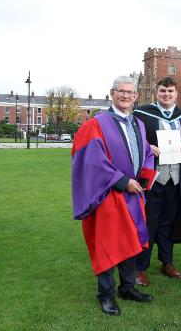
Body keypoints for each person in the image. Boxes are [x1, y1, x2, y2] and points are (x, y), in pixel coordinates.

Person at [71, 75, 155, 316]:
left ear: (136, 97)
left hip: (133, 194)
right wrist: (122, 181)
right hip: (107, 194)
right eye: (122, 91)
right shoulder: (96, 124)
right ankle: (106, 295)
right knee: (107, 246)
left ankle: (127, 288)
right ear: (112, 93)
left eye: (131, 93)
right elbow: (93, 161)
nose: (126, 96)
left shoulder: (138, 124)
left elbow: (147, 153)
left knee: (131, 244)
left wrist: (143, 181)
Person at [133, 76, 181, 285]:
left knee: (169, 223)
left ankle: (167, 262)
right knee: (149, 223)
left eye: (170, 91)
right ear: (156, 92)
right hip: (153, 179)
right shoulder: (142, 114)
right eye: (162, 91)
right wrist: (146, 148)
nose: (166, 95)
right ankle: (140, 267)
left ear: (176, 93)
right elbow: (133, 140)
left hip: (176, 179)